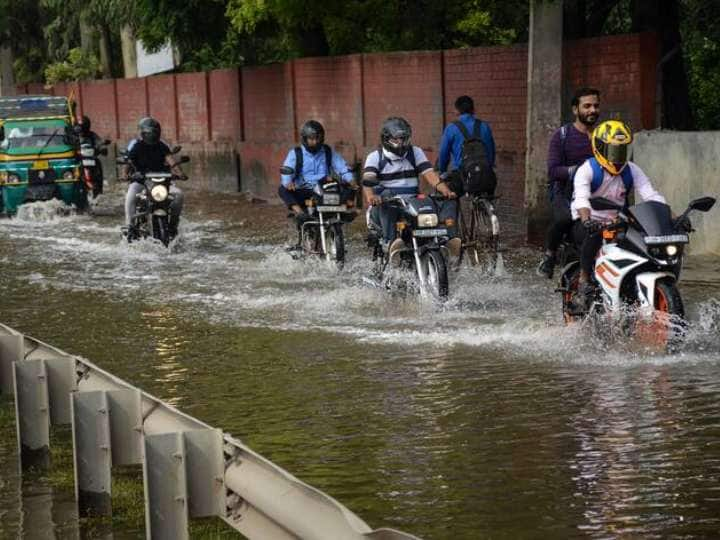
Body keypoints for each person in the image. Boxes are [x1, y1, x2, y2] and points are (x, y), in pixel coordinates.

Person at [571, 120, 667, 310]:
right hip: (590, 222)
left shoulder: (632, 169)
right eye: (615, 151)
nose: (618, 157)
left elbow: (651, 195)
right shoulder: (587, 169)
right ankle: (584, 282)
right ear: (600, 148)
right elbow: (581, 200)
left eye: (622, 151)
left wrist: (670, 216)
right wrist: (587, 220)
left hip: (618, 221)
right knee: (594, 235)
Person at [362, 117, 459, 258]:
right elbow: (367, 182)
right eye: (396, 140)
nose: (400, 143)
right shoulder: (375, 157)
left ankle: (448, 238)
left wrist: (446, 190)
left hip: (412, 202)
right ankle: (390, 243)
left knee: (448, 200)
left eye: (403, 139)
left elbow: (430, 174)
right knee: (388, 197)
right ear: (386, 139)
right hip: (384, 204)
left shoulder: (415, 152)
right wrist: (371, 197)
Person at [537, 87, 600, 279]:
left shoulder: (604, 135)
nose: (592, 110)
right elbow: (553, 170)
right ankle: (549, 255)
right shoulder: (562, 135)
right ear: (575, 110)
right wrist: (579, 170)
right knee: (564, 219)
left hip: (597, 192)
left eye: (596, 106)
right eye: (587, 106)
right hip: (564, 192)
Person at [278, 120, 356, 224]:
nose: (315, 142)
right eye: (312, 139)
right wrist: (288, 182)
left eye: (318, 139)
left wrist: (350, 179)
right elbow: (287, 169)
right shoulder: (296, 153)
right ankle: (301, 213)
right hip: (303, 190)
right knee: (282, 189)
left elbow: (342, 167)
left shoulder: (328, 151)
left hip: (324, 189)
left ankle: (342, 212)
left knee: (349, 187)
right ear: (305, 138)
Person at [124, 117, 186, 237]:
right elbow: (129, 162)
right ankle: (130, 226)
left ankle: (173, 226)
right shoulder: (137, 146)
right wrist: (125, 175)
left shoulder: (162, 146)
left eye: (154, 132)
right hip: (141, 182)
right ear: (143, 133)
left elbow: (171, 161)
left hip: (162, 183)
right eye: (150, 132)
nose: (152, 135)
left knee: (179, 195)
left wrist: (180, 173)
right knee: (130, 196)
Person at [437, 95, 496, 186]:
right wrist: (488, 167)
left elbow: (443, 153)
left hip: (461, 175)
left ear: (456, 111)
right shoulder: (484, 126)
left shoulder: (451, 128)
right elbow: (491, 151)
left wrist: (442, 170)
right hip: (484, 174)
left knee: (449, 194)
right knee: (487, 194)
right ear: (473, 110)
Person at [74, 115, 106, 197]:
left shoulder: (92, 135)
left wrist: (102, 147)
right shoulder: (74, 136)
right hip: (79, 159)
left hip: (91, 158)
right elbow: (68, 144)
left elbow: (99, 141)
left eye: (83, 126)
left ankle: (99, 189)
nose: (81, 129)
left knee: (98, 163)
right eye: (80, 126)